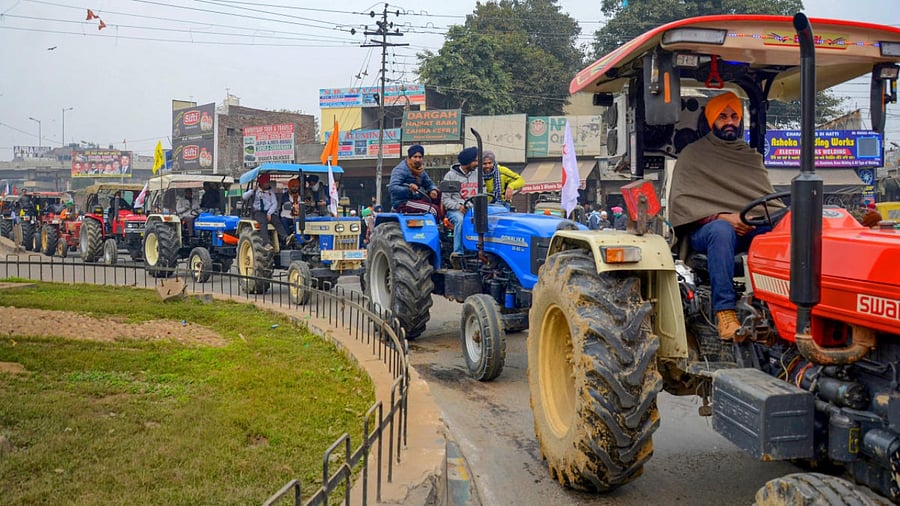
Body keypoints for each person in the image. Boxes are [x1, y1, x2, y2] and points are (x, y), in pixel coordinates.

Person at [668, 91, 783, 341]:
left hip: (748, 227)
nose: (729, 122)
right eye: (722, 116)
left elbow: (766, 202)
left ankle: (778, 304)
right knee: (721, 231)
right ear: (710, 120)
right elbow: (683, 204)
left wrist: (750, 220)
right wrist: (723, 217)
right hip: (705, 232)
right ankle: (725, 313)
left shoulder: (749, 156)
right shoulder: (692, 155)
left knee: (785, 229)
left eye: (734, 116)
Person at [440, 146, 480, 256]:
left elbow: (483, 194)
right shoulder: (450, 176)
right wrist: (459, 206)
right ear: (468, 161)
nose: (477, 163)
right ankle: (458, 253)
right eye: (475, 160)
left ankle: (481, 251)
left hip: (473, 209)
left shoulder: (477, 174)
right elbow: (445, 199)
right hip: (455, 210)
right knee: (461, 220)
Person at [389, 144, 439, 216]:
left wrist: (433, 190)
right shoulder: (400, 170)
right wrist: (409, 189)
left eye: (420, 157)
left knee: (440, 196)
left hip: (417, 199)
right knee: (433, 210)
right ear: (409, 158)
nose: (417, 160)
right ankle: (435, 226)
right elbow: (393, 188)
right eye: (415, 157)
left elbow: (429, 183)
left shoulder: (420, 171)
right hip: (403, 202)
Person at [243, 173, 289, 249]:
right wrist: (252, 191)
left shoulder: (271, 192)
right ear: (262, 183)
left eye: (268, 182)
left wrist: (269, 213)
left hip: (268, 211)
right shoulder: (256, 191)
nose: (268, 184)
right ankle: (266, 243)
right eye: (266, 182)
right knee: (263, 222)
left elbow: (274, 203)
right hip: (258, 212)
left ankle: (285, 238)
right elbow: (244, 197)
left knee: (277, 220)